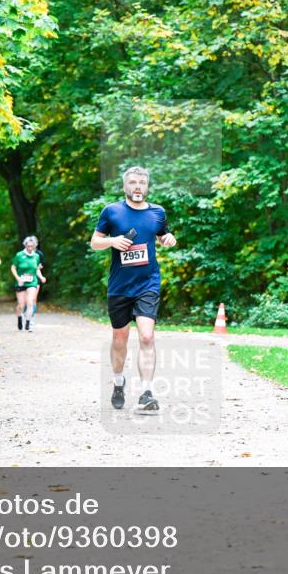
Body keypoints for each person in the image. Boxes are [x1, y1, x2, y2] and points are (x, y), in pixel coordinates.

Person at [90, 166, 176, 410]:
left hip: (148, 283)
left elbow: (163, 235)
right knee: (120, 337)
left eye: (142, 183)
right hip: (120, 286)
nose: (138, 187)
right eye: (133, 183)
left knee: (147, 336)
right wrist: (112, 241)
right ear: (125, 186)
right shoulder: (112, 211)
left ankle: (147, 392)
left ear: (148, 187)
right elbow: (95, 242)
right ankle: (118, 381)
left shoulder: (158, 212)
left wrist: (170, 239)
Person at [11, 236, 46, 332]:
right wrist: (18, 278)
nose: (30, 248)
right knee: (21, 305)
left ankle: (28, 323)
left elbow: (37, 269)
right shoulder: (19, 255)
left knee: (30, 302)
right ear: (25, 245)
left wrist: (41, 277)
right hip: (21, 282)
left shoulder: (37, 256)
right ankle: (19, 318)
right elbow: (13, 268)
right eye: (28, 246)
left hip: (32, 282)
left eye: (32, 246)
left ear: (34, 246)